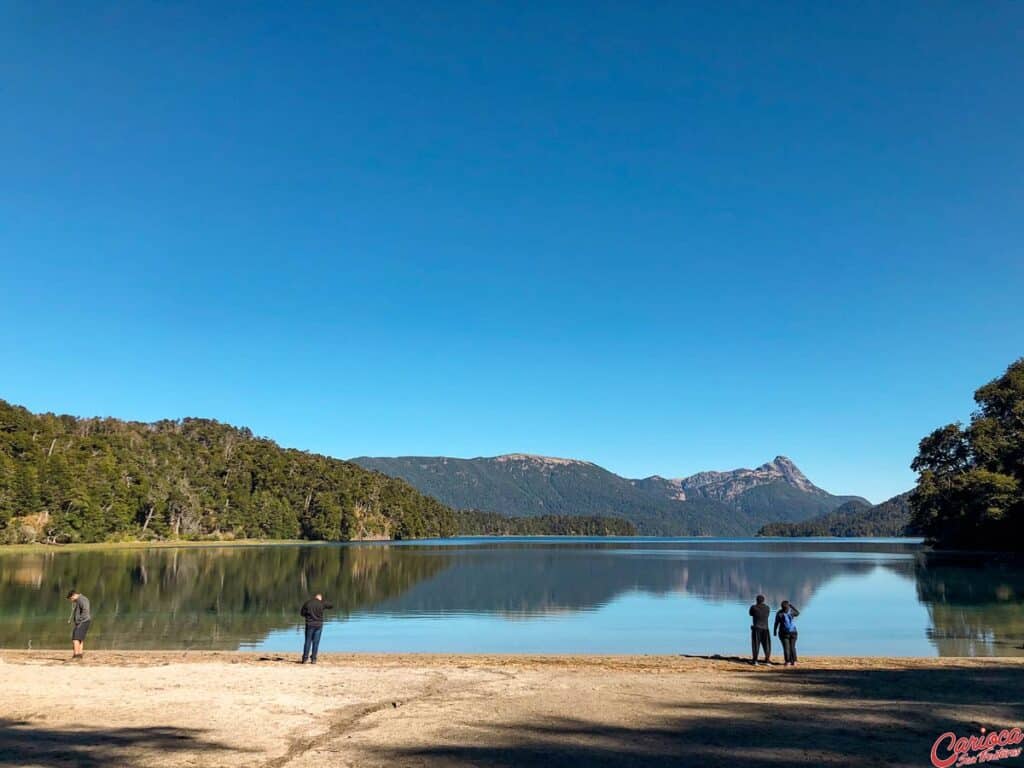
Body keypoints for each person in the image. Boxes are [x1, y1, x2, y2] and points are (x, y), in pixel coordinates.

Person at [299, 592, 333, 664]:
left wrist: (307, 616)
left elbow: (302, 613)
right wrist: (323, 602)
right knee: (316, 642)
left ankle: (305, 659)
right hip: (318, 625)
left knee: (307, 642)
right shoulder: (321, 603)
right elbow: (331, 606)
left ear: (315, 597)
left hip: (309, 624)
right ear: (320, 598)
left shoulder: (308, 603)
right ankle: (313, 659)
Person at [66, 590, 91, 660]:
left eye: (71, 599)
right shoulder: (80, 600)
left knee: (75, 639)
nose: (71, 600)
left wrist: (79, 620)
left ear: (73, 595)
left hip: (83, 621)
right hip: (84, 621)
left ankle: (76, 655)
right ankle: (79, 655)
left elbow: (85, 610)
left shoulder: (82, 599)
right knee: (80, 638)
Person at [774, 600, 800, 666]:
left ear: (781, 607)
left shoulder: (779, 613)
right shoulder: (791, 612)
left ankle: (787, 662)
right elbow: (798, 613)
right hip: (793, 632)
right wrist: (792, 606)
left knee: (786, 648)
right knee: (792, 647)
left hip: (784, 632)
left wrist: (775, 631)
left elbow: (776, 623)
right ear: (788, 606)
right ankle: (794, 661)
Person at [748, 594, 771, 665]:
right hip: (765, 628)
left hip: (756, 628)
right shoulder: (767, 608)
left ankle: (755, 661)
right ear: (763, 601)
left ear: (756, 600)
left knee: (755, 645)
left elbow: (750, 614)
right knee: (767, 645)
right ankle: (767, 660)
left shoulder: (753, 607)